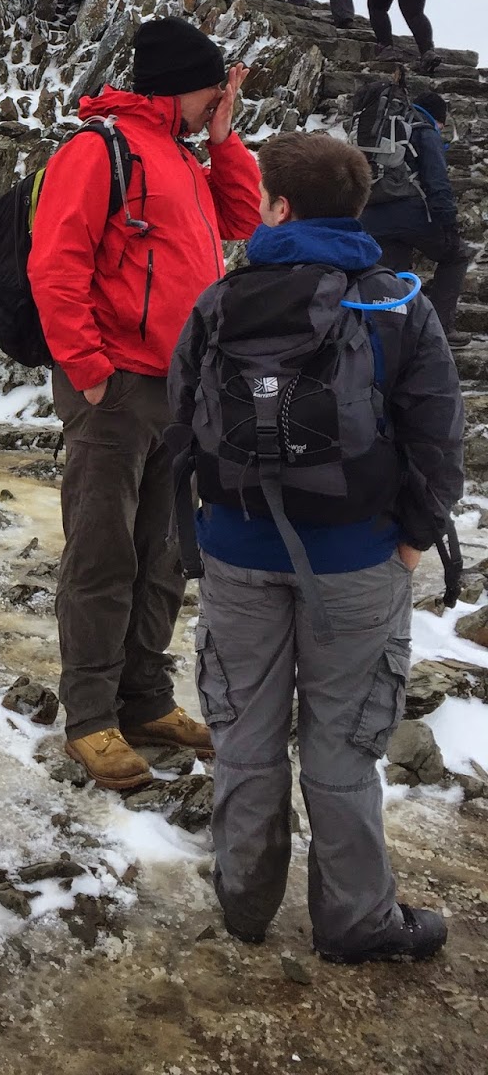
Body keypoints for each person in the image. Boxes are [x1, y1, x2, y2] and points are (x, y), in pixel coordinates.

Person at [169, 130, 461, 964]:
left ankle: (245, 899)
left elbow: (182, 419)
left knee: (245, 733)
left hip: (234, 549)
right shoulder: (394, 299)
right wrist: (411, 542)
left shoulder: (221, 300)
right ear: (358, 207)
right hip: (357, 561)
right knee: (342, 746)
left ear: (280, 206)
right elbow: (438, 436)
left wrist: (202, 533)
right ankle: (355, 921)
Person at [27, 19, 262, 791]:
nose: (217, 100)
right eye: (212, 90)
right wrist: (89, 368)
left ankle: (146, 699)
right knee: (102, 552)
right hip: (116, 388)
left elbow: (246, 223)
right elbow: (55, 261)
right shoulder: (99, 149)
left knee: (162, 554)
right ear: (178, 83)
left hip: (181, 388)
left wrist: (224, 138)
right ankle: (91, 715)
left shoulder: (187, 159)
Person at [358, 87, 470, 346]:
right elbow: (437, 180)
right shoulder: (423, 130)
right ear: (436, 117)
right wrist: (448, 222)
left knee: (389, 275)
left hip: (372, 212)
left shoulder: (382, 128)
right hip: (410, 212)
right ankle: (441, 330)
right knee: (456, 255)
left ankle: (385, 336)